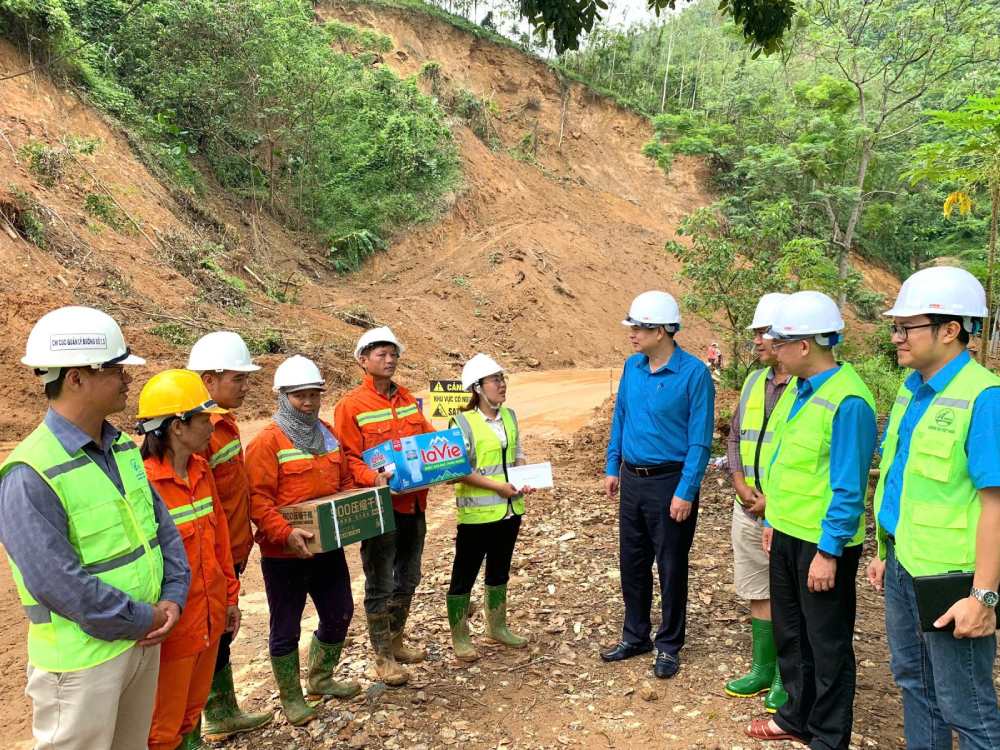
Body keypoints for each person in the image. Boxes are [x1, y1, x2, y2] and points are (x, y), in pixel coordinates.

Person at [0, 306, 190, 750]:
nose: (127, 378)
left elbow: (162, 530)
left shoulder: (123, 446)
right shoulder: (30, 471)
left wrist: (173, 596)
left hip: (140, 643)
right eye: (115, 368)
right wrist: (144, 617)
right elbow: (57, 582)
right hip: (82, 664)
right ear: (76, 378)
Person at [866, 266, 1000, 748]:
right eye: (896, 327)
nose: (897, 337)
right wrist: (884, 549)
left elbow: (996, 505)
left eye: (907, 327)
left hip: (952, 581)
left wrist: (984, 596)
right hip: (904, 565)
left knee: (966, 707)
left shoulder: (984, 398)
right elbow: (905, 481)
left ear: (950, 330)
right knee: (914, 686)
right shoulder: (912, 389)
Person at [745, 291, 877, 749]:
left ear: (804, 346)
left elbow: (847, 487)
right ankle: (796, 715)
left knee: (827, 643)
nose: (773, 349)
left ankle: (827, 734)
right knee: (792, 632)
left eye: (780, 342)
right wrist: (773, 522)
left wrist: (828, 552)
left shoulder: (849, 401)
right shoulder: (800, 391)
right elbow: (789, 464)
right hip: (786, 532)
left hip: (823, 544)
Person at [601, 291, 715, 679]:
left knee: (670, 565)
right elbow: (621, 417)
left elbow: (700, 439)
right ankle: (635, 635)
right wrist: (612, 465)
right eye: (632, 326)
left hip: (670, 482)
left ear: (664, 330)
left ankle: (669, 644)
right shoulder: (632, 368)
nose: (633, 334)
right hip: (633, 480)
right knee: (631, 563)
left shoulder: (694, 374)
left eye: (641, 327)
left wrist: (686, 489)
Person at [246, 355, 360, 725]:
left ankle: (321, 678)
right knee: (286, 627)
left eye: (314, 395)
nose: (308, 403)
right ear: (283, 397)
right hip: (284, 555)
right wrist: (285, 533)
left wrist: (350, 505)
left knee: (340, 612)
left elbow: (342, 482)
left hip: (326, 548)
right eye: (300, 397)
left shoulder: (327, 433)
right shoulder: (267, 442)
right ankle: (291, 697)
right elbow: (258, 500)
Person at [137, 370, 240, 750]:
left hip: (209, 620)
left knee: (189, 716)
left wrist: (230, 597)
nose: (212, 427)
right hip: (173, 629)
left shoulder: (200, 470)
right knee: (160, 730)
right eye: (203, 420)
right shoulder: (143, 482)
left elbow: (220, 542)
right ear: (177, 427)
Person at [334, 326, 435, 686]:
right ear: (363, 360)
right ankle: (383, 656)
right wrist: (373, 479)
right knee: (381, 581)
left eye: (393, 354)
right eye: (381, 354)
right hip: (380, 507)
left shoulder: (408, 400)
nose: (390, 359)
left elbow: (428, 440)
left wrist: (448, 456)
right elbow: (346, 458)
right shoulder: (351, 406)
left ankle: (396, 640)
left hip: (414, 504)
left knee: (409, 576)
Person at [186, 331, 273, 741]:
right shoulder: (196, 433)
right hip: (213, 554)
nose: (245, 385)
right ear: (209, 379)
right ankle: (200, 722)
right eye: (237, 378)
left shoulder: (225, 423)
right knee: (204, 641)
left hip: (232, 549)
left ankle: (222, 710)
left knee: (221, 634)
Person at [724, 293, 793, 712]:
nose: (756, 342)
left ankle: (787, 675)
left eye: (761, 333)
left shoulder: (805, 387)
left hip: (784, 512)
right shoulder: (754, 382)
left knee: (789, 593)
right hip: (746, 504)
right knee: (758, 588)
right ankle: (762, 667)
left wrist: (774, 500)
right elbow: (734, 437)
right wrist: (739, 482)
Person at [447, 354, 536, 662]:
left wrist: (525, 475)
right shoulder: (461, 422)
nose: (501, 384)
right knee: (464, 574)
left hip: (510, 510)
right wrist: (497, 486)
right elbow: (457, 469)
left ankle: (496, 626)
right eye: (494, 380)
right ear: (477, 388)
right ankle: (460, 636)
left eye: (502, 378)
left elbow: (517, 453)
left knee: (499, 570)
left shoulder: (509, 416)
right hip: (477, 514)